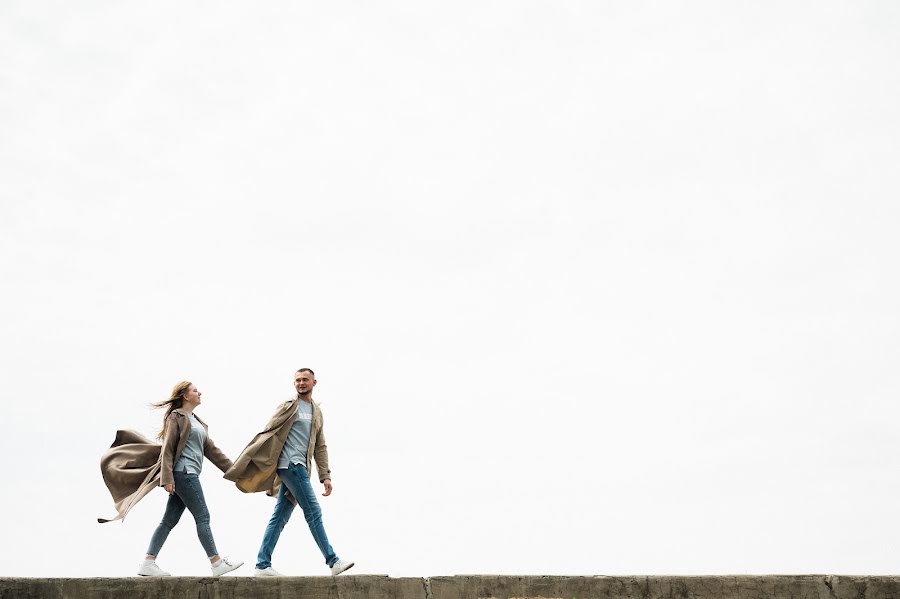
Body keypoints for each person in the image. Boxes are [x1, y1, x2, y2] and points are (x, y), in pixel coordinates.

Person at [98, 381, 243, 577]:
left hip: (186, 475)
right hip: (184, 474)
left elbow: (214, 452)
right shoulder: (176, 417)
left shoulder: (197, 421)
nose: (200, 392)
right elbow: (167, 450)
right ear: (185, 396)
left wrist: (236, 472)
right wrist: (167, 478)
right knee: (203, 517)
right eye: (195, 390)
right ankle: (216, 563)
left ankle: (148, 563)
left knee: (168, 521)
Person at [224, 368, 353, 576]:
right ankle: (333, 561)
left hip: (301, 467)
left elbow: (320, 446)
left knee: (279, 517)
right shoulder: (288, 406)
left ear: (314, 382)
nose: (301, 383)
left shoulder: (316, 412)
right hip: (290, 466)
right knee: (313, 512)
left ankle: (262, 564)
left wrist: (325, 476)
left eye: (305, 380)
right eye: (297, 380)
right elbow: (269, 432)